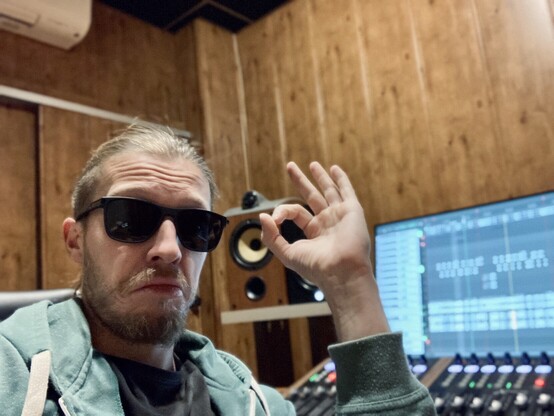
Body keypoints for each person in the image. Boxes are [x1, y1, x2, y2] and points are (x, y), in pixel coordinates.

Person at [0, 123, 436, 415]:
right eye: (131, 218)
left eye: (194, 226)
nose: (170, 249)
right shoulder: (13, 377)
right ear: (75, 240)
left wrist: (350, 285)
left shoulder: (254, 402)